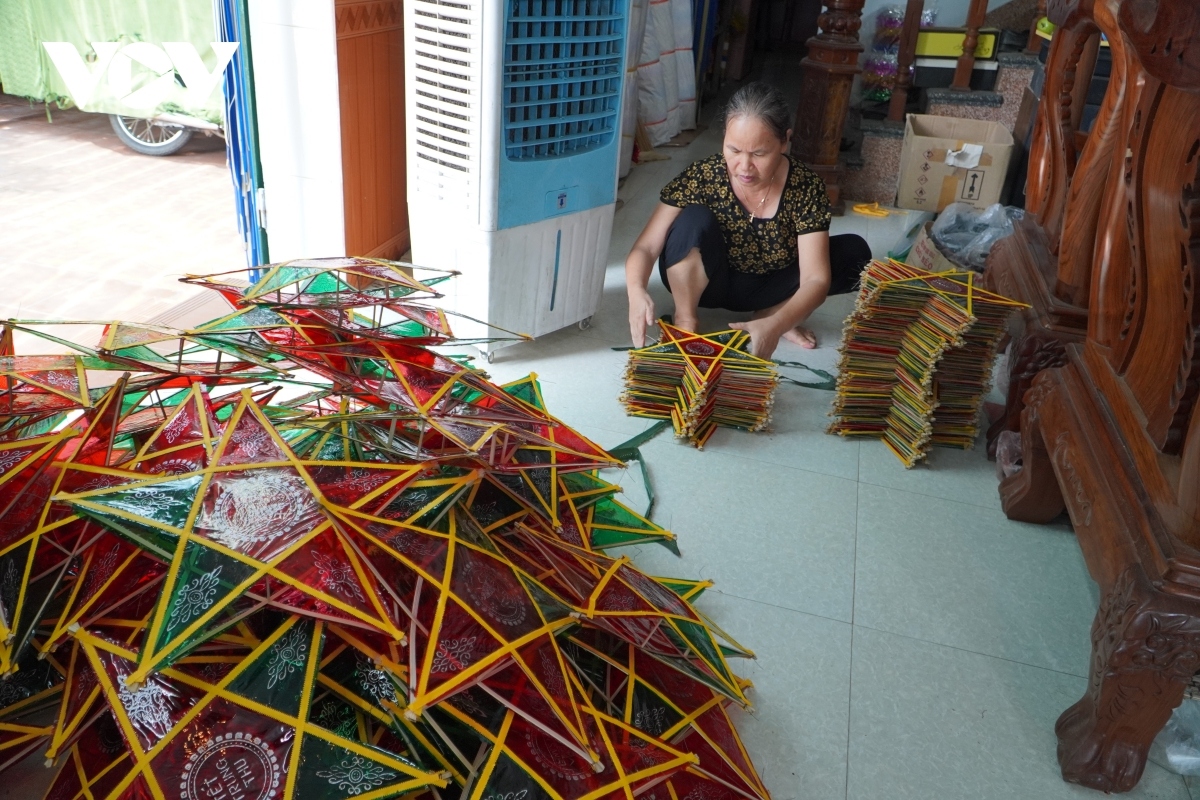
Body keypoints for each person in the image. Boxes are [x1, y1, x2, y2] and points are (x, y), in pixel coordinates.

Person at [625, 82, 872, 358]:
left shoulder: (806, 187)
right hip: (707, 283)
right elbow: (646, 247)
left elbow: (815, 278)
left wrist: (777, 325)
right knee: (693, 218)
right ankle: (686, 317)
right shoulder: (704, 175)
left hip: (770, 286)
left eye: (758, 154)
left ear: (784, 141)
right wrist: (636, 291)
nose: (743, 166)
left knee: (854, 253)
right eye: (733, 150)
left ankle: (770, 314)